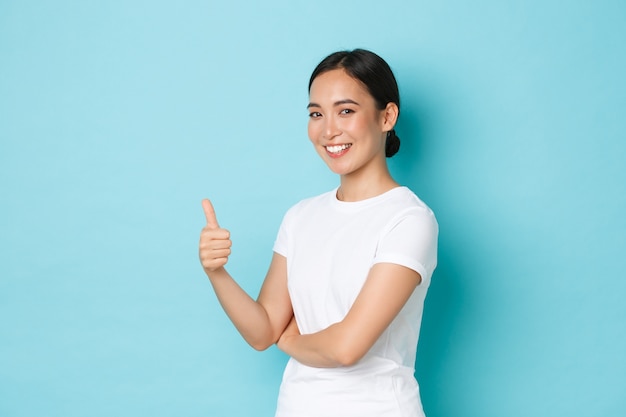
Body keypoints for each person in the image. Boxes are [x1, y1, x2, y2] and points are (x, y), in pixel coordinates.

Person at [199, 49, 438, 417]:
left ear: (387, 116)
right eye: (316, 114)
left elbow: (347, 347)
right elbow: (263, 331)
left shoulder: (408, 220)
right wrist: (217, 272)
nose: (328, 130)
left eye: (346, 111)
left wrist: (291, 339)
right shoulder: (301, 216)